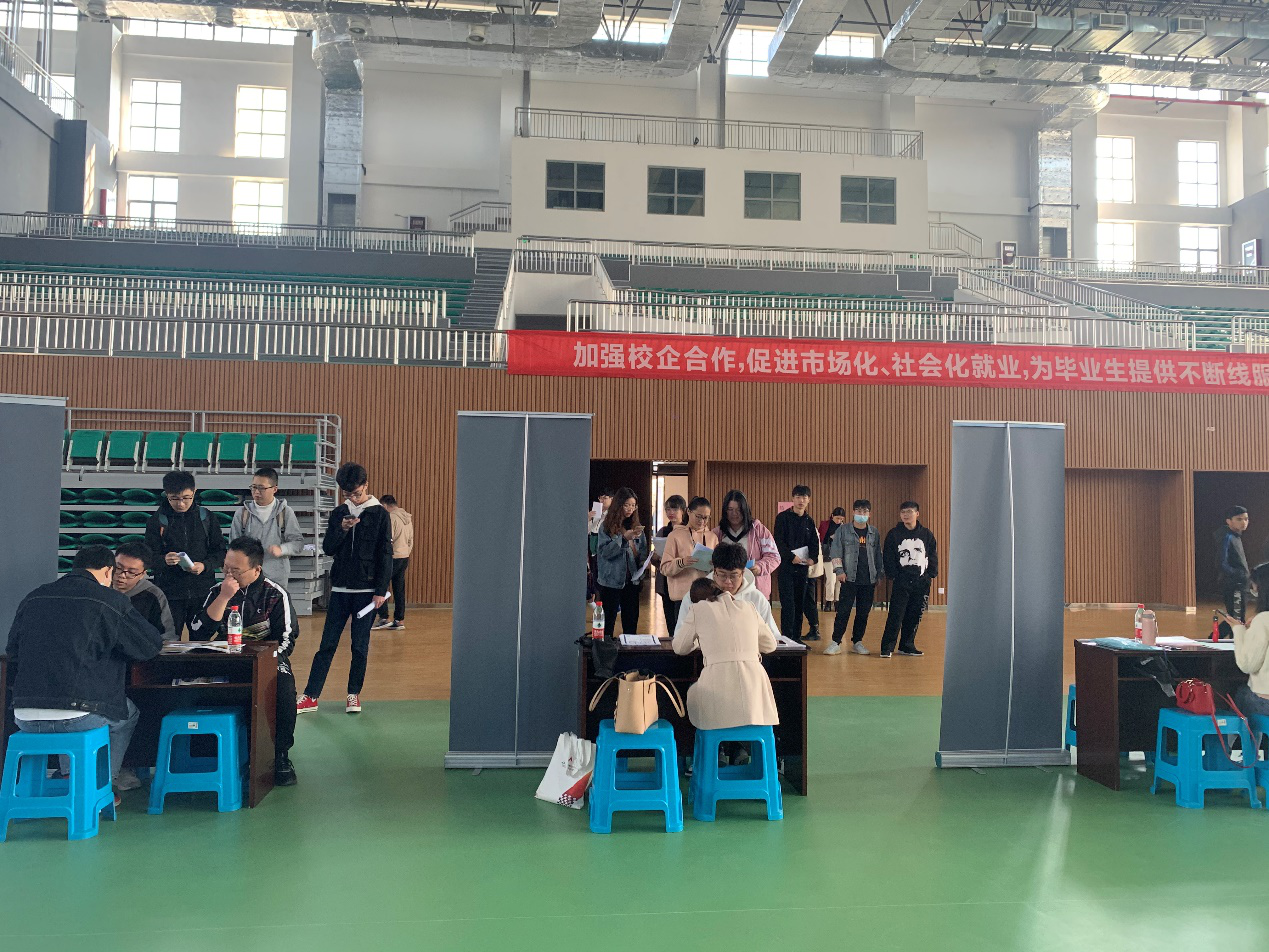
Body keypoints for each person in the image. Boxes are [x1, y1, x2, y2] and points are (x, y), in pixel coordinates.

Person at [6, 546, 164, 801]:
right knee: (127, 713)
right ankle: (100, 788)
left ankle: (68, 776)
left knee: (67, 708)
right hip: (80, 712)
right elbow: (149, 646)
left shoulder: (34, 597)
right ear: (108, 571)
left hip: (24, 714)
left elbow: (12, 650)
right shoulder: (109, 600)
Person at [190, 538, 300, 786]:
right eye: (226, 568)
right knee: (196, 684)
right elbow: (198, 633)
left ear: (256, 569)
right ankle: (208, 750)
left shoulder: (275, 594)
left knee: (284, 688)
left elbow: (286, 639)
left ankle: (280, 755)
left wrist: (265, 660)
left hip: (266, 660)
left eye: (236, 571)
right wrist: (223, 597)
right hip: (226, 659)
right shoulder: (216, 592)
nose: (229, 575)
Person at [297, 462, 393, 715]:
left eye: (356, 493)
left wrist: (381, 590)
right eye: (347, 493)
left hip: (367, 591)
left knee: (359, 646)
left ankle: (353, 694)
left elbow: (385, 554)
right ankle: (310, 695)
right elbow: (328, 548)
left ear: (366, 485)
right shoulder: (339, 512)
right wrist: (341, 530)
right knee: (327, 644)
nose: (352, 498)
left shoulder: (379, 514)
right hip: (339, 589)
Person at [672, 561, 779, 733]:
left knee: (692, 692)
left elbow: (679, 648)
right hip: (755, 696)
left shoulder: (698, 609)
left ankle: (708, 747)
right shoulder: (749, 606)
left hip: (718, 693)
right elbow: (771, 645)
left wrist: (700, 640)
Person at [144, 470, 226, 639]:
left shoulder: (207, 518)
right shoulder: (157, 521)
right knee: (169, 640)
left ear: (194, 492)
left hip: (202, 591)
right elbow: (148, 557)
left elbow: (220, 552)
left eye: (186, 498)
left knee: (202, 639)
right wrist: (164, 560)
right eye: (174, 498)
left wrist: (205, 565)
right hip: (170, 593)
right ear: (166, 494)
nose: (181, 504)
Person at [674, 542, 781, 642]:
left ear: (743, 573)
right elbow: (680, 636)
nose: (728, 581)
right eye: (722, 575)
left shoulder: (756, 598)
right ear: (714, 571)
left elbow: (773, 638)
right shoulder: (696, 595)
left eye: (733, 576)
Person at [880, 501, 939, 659]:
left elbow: (932, 555)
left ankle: (907, 645)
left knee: (914, 615)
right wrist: (893, 575)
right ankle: (887, 647)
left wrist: (930, 574)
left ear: (917, 514)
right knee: (896, 615)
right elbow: (888, 556)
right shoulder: (894, 534)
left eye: (909, 512)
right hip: (901, 581)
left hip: (921, 582)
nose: (906, 515)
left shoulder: (926, 534)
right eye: (903, 512)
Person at [825, 500, 883, 656]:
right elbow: (835, 552)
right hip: (848, 578)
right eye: (858, 511)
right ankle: (835, 642)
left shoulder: (874, 532)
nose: (861, 514)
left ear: (869, 514)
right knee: (843, 612)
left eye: (865, 512)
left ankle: (857, 642)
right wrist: (839, 570)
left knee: (863, 613)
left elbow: (878, 554)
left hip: (868, 579)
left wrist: (879, 573)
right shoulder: (843, 530)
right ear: (853, 512)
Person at [229, 467, 305, 586]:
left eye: (262, 488)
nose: (256, 492)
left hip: (277, 578)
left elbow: (298, 543)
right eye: (254, 487)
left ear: (274, 489)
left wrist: (282, 549)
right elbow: (233, 545)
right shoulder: (242, 513)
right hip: (248, 577)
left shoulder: (285, 513)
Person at [594, 487, 650, 640]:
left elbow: (642, 551)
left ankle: (629, 651)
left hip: (632, 581)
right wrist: (624, 538)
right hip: (611, 582)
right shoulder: (606, 526)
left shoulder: (637, 527)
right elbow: (605, 553)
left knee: (631, 624)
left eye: (633, 505)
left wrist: (644, 564)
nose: (630, 509)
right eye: (626, 505)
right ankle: (606, 652)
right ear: (618, 504)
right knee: (608, 624)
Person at [662, 496, 720, 628]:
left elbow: (719, 570)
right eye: (698, 516)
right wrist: (681, 562)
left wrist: (714, 565)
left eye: (706, 518)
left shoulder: (712, 537)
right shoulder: (675, 535)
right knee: (683, 636)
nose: (702, 521)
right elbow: (664, 568)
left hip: (707, 596)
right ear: (688, 512)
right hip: (682, 597)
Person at [774, 485, 820, 643]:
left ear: (809, 500)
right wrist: (790, 556)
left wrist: (813, 559)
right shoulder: (782, 518)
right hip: (787, 567)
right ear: (793, 499)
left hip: (802, 569)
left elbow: (814, 544)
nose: (801, 500)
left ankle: (797, 638)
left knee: (800, 604)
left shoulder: (809, 521)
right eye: (798, 497)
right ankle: (787, 637)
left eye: (805, 497)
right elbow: (778, 541)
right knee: (788, 605)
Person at [1224, 561, 1269, 719]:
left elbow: (1247, 664)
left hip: (1264, 703)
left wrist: (1238, 629)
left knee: (1239, 695)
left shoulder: (1263, 621)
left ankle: (1239, 736)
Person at [718, 489, 781, 600]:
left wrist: (759, 567)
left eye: (738, 509)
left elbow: (774, 557)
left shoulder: (759, 530)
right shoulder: (718, 533)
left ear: (745, 510)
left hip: (754, 591)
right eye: (730, 509)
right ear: (725, 511)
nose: (734, 514)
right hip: (726, 592)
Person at [112, 540, 175, 640]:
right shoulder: (100, 588)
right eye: (118, 568)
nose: (122, 575)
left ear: (143, 574)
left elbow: (167, 634)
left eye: (131, 572)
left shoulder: (154, 594)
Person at [373, 494, 414, 631]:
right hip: (404, 556)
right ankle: (399, 620)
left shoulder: (390, 518)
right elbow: (410, 540)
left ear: (384, 505)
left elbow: (387, 540)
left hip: (392, 557)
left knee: (381, 585)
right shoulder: (407, 518)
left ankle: (384, 618)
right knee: (399, 589)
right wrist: (405, 552)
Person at [651, 494, 687, 636]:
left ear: (683, 510)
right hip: (666, 579)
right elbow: (656, 561)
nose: (670, 512)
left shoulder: (688, 530)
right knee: (670, 620)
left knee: (682, 622)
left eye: (674, 509)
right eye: (668, 509)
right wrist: (655, 557)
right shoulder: (663, 531)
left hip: (682, 578)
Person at [1217, 505, 1251, 623]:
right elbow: (1222, 562)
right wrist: (1238, 575)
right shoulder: (1227, 537)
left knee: (1237, 619)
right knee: (1237, 620)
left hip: (1241, 584)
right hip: (1234, 585)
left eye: (1246, 519)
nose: (1244, 522)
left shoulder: (1237, 537)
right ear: (1229, 521)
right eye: (1239, 519)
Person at [819, 507, 847, 610]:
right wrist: (830, 537)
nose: (839, 521)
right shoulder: (825, 524)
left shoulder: (845, 528)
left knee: (839, 579)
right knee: (831, 579)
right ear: (832, 516)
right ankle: (829, 600)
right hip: (828, 555)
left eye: (841, 519)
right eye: (837, 518)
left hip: (840, 556)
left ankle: (837, 601)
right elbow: (820, 539)